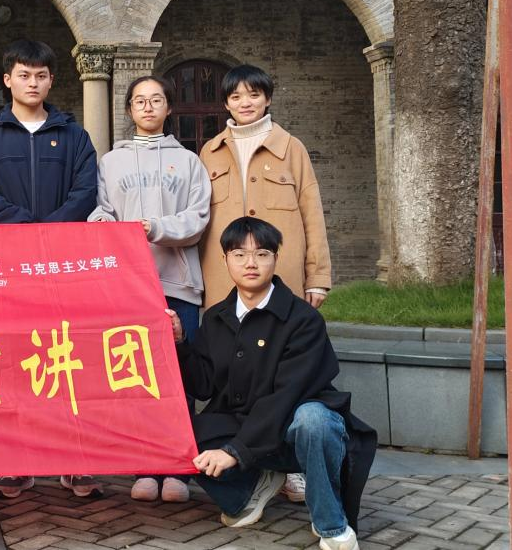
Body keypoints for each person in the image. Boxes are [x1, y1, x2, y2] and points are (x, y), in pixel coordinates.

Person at [168, 217, 375, 550]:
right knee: (177, 432)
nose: (251, 263)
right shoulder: (216, 318)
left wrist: (235, 451)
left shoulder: (303, 319)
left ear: (275, 258)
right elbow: (203, 386)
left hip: (293, 431)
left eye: (261, 254)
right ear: (225, 260)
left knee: (314, 419)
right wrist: (180, 343)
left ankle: (330, 522)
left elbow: (287, 395)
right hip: (245, 428)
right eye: (240, 254)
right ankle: (251, 488)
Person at [0, 39, 98, 500]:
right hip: (7, 269)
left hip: (63, 267)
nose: (32, 83)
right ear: (8, 80)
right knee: (13, 364)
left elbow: (86, 191)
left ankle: (74, 460)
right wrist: (28, 232)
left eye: (41, 75)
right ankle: (17, 462)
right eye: (24, 75)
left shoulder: (75, 136)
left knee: (68, 363)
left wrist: (51, 233)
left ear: (51, 80)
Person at [199, 63, 332, 506]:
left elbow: (312, 211)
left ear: (268, 98)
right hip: (226, 282)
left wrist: (318, 276)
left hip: (281, 278)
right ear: (225, 103)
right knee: (232, 376)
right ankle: (247, 463)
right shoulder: (209, 152)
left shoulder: (290, 147)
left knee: (285, 373)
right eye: (236, 96)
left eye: (254, 94)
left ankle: (290, 465)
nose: (245, 103)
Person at [88, 74, 211, 504]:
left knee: (180, 377)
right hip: (129, 285)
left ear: (168, 108)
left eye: (156, 99)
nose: (148, 107)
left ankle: (179, 468)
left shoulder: (189, 161)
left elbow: (198, 218)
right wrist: (111, 228)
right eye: (140, 100)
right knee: (137, 376)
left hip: (178, 282)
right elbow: (100, 211)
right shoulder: (111, 162)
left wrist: (155, 227)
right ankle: (145, 466)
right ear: (128, 109)